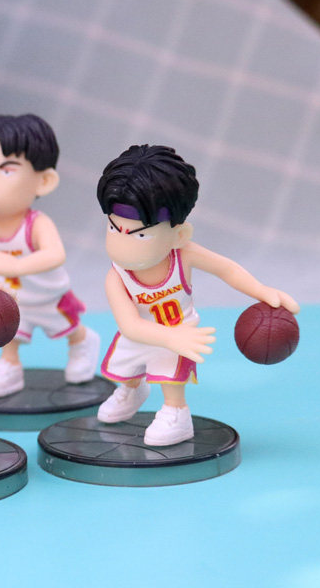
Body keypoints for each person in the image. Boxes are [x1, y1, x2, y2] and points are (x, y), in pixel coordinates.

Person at [96, 143, 299, 445]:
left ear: (179, 234)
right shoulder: (116, 277)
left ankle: (176, 415)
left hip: (180, 330)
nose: (122, 244)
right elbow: (130, 326)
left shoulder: (184, 254)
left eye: (141, 234)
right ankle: (132, 390)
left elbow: (227, 269)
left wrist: (262, 290)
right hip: (143, 334)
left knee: (170, 371)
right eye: (114, 229)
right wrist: (168, 337)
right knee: (124, 368)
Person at [0, 114, 99, 398]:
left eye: (6, 171)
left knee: (69, 329)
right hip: (12, 298)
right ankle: (10, 366)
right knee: (7, 333)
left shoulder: (36, 223)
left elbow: (55, 255)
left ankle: (83, 342)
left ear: (44, 181)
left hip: (49, 298)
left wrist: (16, 265)